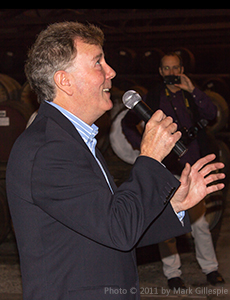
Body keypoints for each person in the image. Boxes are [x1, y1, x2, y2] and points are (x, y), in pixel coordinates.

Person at [6, 22, 225, 300]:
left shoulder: (72, 140)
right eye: (98, 62)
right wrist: (150, 158)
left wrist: (176, 205)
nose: (111, 71)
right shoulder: (50, 149)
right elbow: (118, 229)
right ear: (65, 81)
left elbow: (113, 228)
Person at [122, 52, 225, 290]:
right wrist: (144, 146)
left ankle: (211, 269)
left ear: (181, 69)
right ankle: (173, 274)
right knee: (166, 224)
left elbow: (212, 114)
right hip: (167, 171)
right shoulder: (153, 96)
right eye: (166, 69)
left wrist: (193, 90)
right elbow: (127, 123)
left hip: (192, 168)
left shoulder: (191, 94)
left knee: (199, 222)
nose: (171, 73)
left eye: (175, 68)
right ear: (160, 72)